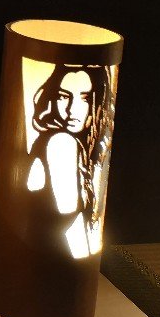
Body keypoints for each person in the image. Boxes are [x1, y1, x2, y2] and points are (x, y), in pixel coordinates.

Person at [26, 64, 114, 259]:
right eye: (63, 96)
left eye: (84, 98)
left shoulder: (67, 143)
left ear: (98, 101)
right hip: (50, 261)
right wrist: (85, 266)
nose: (71, 110)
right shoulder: (61, 141)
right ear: (52, 98)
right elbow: (70, 217)